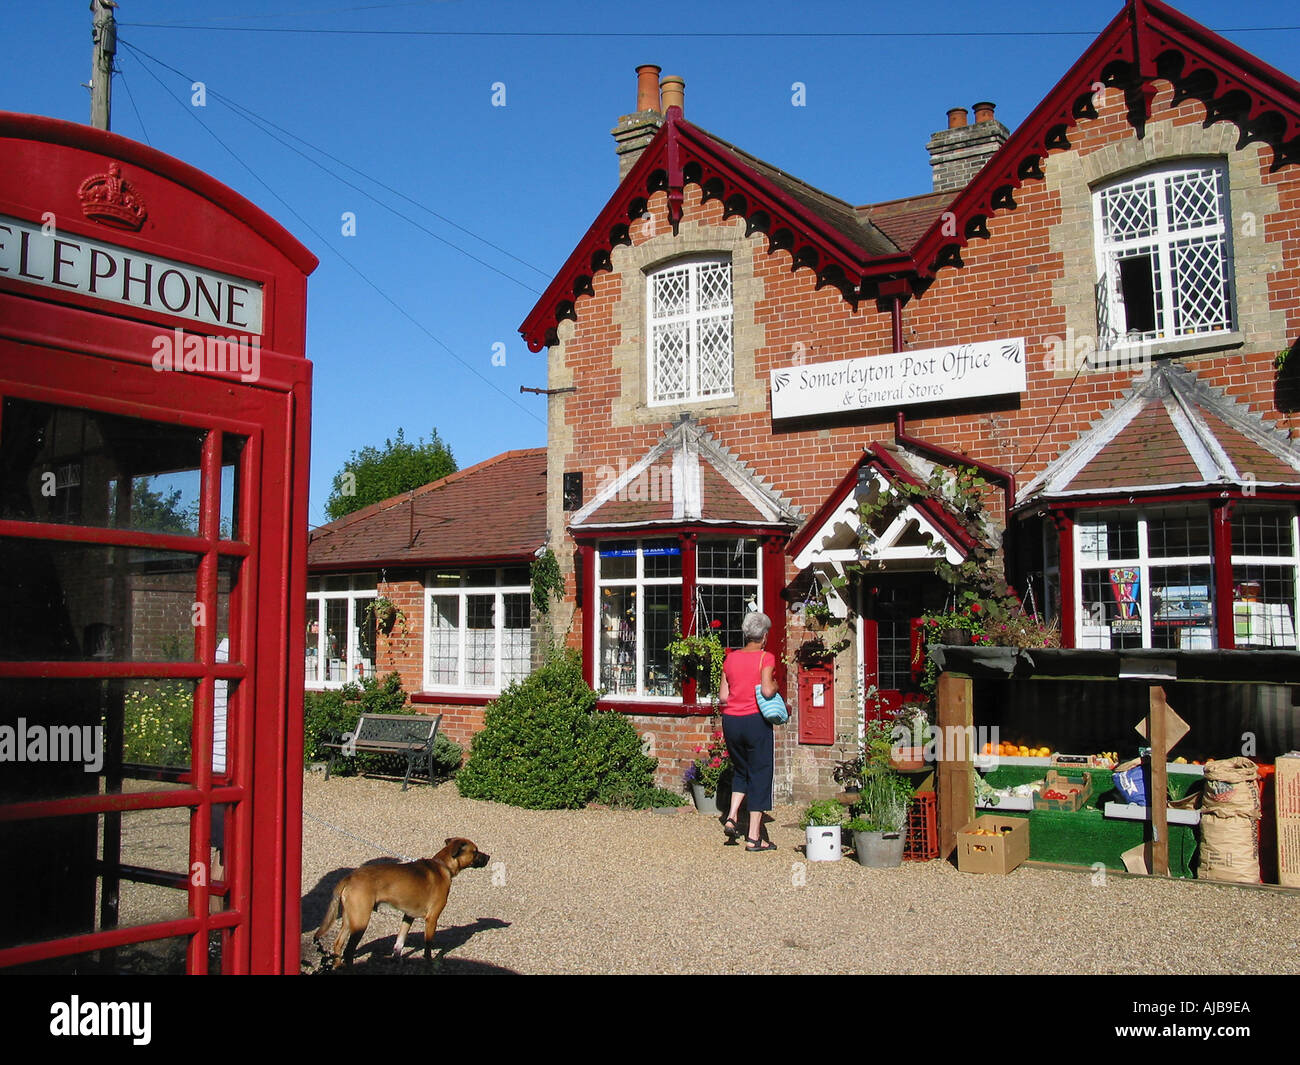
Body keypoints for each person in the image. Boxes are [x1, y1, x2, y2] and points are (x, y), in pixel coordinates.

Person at [718, 611, 778, 852]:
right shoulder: (766, 657)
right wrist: (775, 684)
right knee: (761, 773)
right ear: (764, 636)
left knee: (741, 769)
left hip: (731, 721)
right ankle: (754, 836)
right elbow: (766, 691)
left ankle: (731, 815)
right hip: (755, 721)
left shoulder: (730, 659)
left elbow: (723, 696)